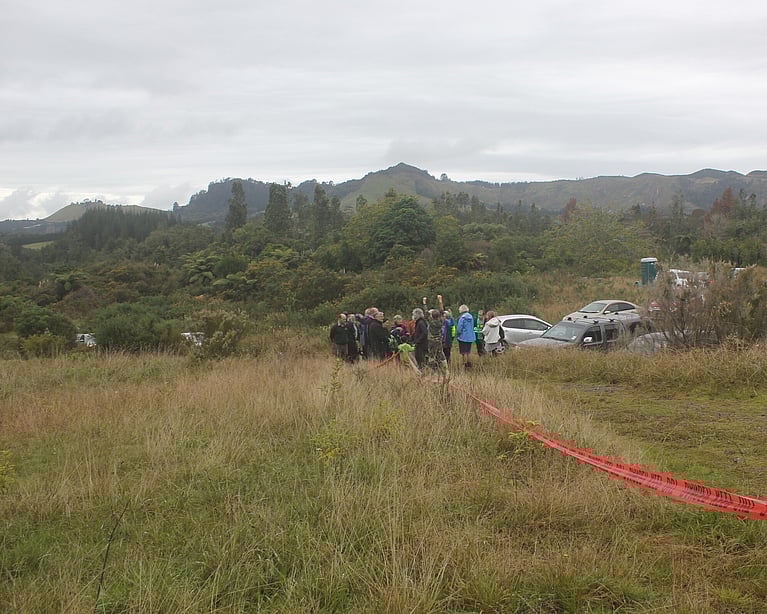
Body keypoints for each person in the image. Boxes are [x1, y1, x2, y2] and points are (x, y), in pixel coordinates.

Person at [422, 295, 448, 376]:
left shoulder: (431, 321)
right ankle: (445, 370)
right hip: (439, 340)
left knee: (431, 356)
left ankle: (433, 372)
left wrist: (424, 302)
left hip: (431, 341)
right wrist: (440, 301)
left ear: (432, 316)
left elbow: (426, 312)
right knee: (440, 355)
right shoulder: (441, 321)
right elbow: (442, 311)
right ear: (439, 316)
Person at [456, 304, 476, 369]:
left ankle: (464, 364)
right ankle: (469, 363)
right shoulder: (471, 317)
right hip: (470, 337)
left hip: (463, 337)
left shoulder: (462, 318)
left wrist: (457, 335)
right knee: (468, 351)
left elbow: (459, 328)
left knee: (463, 352)